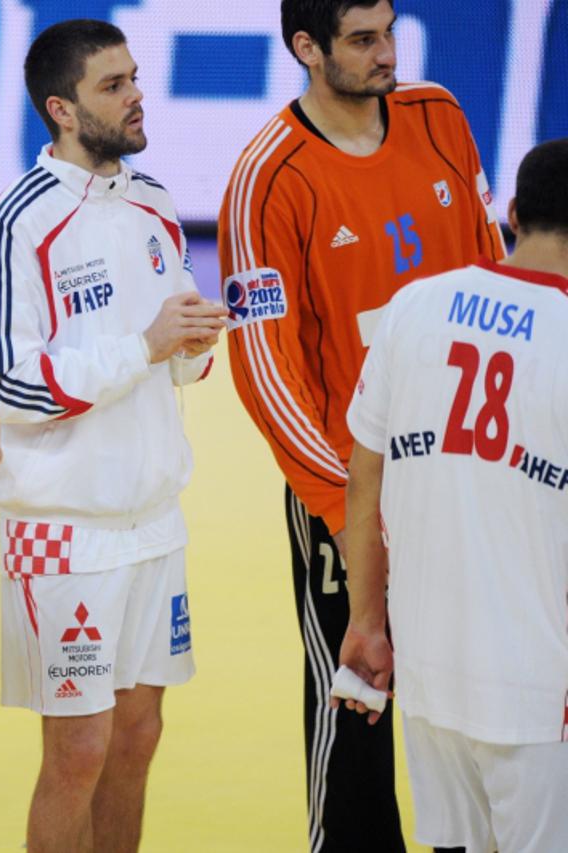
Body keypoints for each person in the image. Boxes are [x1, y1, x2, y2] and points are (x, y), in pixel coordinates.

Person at [216, 1, 508, 848]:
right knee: (358, 705)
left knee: (483, 691)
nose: (388, 55)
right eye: (363, 40)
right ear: (306, 49)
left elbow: (490, 268)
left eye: (390, 32)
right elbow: (268, 373)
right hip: (355, 494)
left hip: (471, 471)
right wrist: (348, 510)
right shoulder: (268, 178)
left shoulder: (439, 115)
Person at [0, 19, 226, 852]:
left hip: (154, 520)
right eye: (113, 85)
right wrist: (143, 345)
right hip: (61, 529)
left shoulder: (153, 203)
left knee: (138, 737)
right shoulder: (14, 225)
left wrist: (189, 348)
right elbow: (4, 384)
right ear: (62, 109)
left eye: (135, 77)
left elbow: (169, 350)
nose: (137, 94)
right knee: (78, 750)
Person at [339, 137, 568, 853]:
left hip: (432, 674)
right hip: (538, 691)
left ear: (509, 211)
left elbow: (362, 477)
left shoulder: (413, 304)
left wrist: (366, 620)